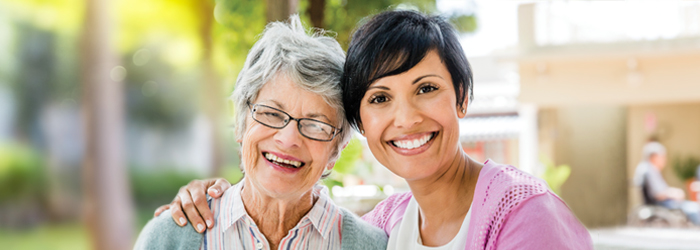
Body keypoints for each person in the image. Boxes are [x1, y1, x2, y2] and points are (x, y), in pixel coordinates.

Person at [159, 10, 593, 249]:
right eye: (380, 98)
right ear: (362, 124)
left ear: (462, 97)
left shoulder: (524, 214)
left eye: (426, 88)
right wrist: (211, 196)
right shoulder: (385, 226)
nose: (405, 119)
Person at [134, 15, 387, 250]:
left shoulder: (372, 245)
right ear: (241, 122)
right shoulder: (169, 237)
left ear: (336, 149)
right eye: (271, 114)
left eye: (315, 125)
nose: (288, 140)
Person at [633, 141, 700, 225]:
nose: (665, 159)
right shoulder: (649, 170)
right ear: (654, 157)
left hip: (662, 202)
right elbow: (658, 194)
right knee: (693, 208)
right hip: (661, 204)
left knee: (694, 206)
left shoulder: (648, 169)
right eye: (663, 157)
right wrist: (674, 193)